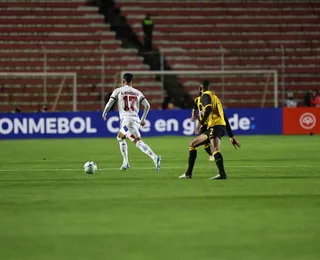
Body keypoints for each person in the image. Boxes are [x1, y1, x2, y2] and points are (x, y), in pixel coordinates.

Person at [179, 81, 240, 180]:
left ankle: (222, 174)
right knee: (193, 144)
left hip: (216, 126)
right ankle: (188, 174)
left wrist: (199, 124)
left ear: (200, 89)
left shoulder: (205, 96)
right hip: (218, 126)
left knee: (215, 149)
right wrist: (231, 136)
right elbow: (225, 117)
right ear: (210, 88)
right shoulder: (215, 98)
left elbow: (208, 110)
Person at [102, 73, 161, 172]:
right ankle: (126, 162)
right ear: (132, 81)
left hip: (127, 121)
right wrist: (143, 120)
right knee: (120, 137)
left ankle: (154, 157)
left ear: (123, 81)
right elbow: (147, 105)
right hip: (136, 120)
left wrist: (104, 113)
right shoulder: (137, 92)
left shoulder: (118, 91)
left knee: (138, 142)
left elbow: (109, 103)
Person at [191, 81, 215, 161]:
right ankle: (212, 155)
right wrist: (193, 116)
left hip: (209, 122)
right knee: (204, 143)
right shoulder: (196, 100)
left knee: (212, 139)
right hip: (202, 123)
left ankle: (214, 154)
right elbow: (194, 109)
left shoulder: (209, 98)